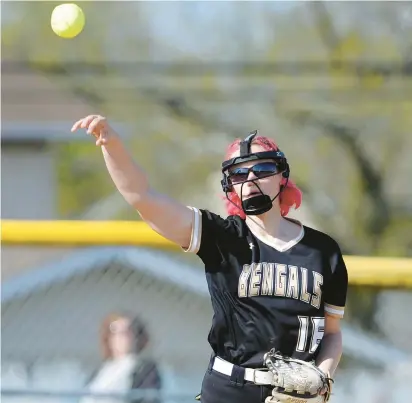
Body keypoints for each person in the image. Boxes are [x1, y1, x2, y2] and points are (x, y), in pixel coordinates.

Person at [72, 115, 348, 403]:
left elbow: (332, 333)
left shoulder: (323, 251)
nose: (251, 179)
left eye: (263, 169)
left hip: (296, 397)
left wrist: (323, 379)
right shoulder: (222, 238)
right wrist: (112, 145)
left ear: (282, 176)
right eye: (239, 174)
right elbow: (143, 198)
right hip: (229, 389)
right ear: (230, 187)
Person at [80, 312, 161, 403]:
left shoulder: (144, 369)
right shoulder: (101, 371)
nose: (121, 337)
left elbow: (149, 398)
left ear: (137, 337)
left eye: (127, 332)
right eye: (115, 332)